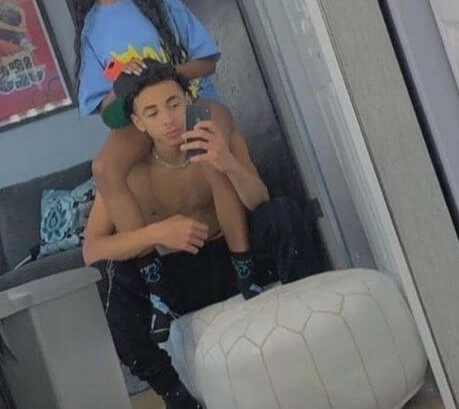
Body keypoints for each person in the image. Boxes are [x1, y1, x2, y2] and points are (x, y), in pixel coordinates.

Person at [83, 60, 322, 409]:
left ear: (188, 99)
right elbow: (92, 250)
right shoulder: (128, 172)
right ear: (139, 122)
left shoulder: (215, 136)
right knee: (110, 277)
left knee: (283, 213)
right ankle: (174, 394)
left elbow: (259, 200)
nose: (168, 120)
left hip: (238, 258)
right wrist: (156, 232)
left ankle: (313, 324)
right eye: (153, 113)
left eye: (173, 104)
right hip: (180, 280)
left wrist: (228, 163)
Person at [70, 0, 240, 337]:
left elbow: (207, 61)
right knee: (104, 168)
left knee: (206, 152)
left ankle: (244, 263)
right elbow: (100, 103)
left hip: (191, 100)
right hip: (142, 116)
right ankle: (156, 285)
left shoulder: (159, 0)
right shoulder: (91, 26)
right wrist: (124, 83)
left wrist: (162, 74)